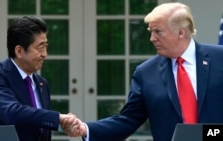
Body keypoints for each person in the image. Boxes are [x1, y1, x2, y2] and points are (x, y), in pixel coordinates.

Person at [62, 2, 223, 141]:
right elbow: (128, 120)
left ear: (181, 32)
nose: (152, 38)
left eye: (158, 31)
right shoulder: (146, 73)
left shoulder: (219, 58)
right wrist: (86, 129)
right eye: (150, 31)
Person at [0, 16, 80, 141]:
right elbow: (11, 112)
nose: (45, 54)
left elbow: (42, 125)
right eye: (40, 47)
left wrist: (61, 124)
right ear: (19, 51)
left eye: (46, 46)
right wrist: (57, 118)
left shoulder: (42, 83)